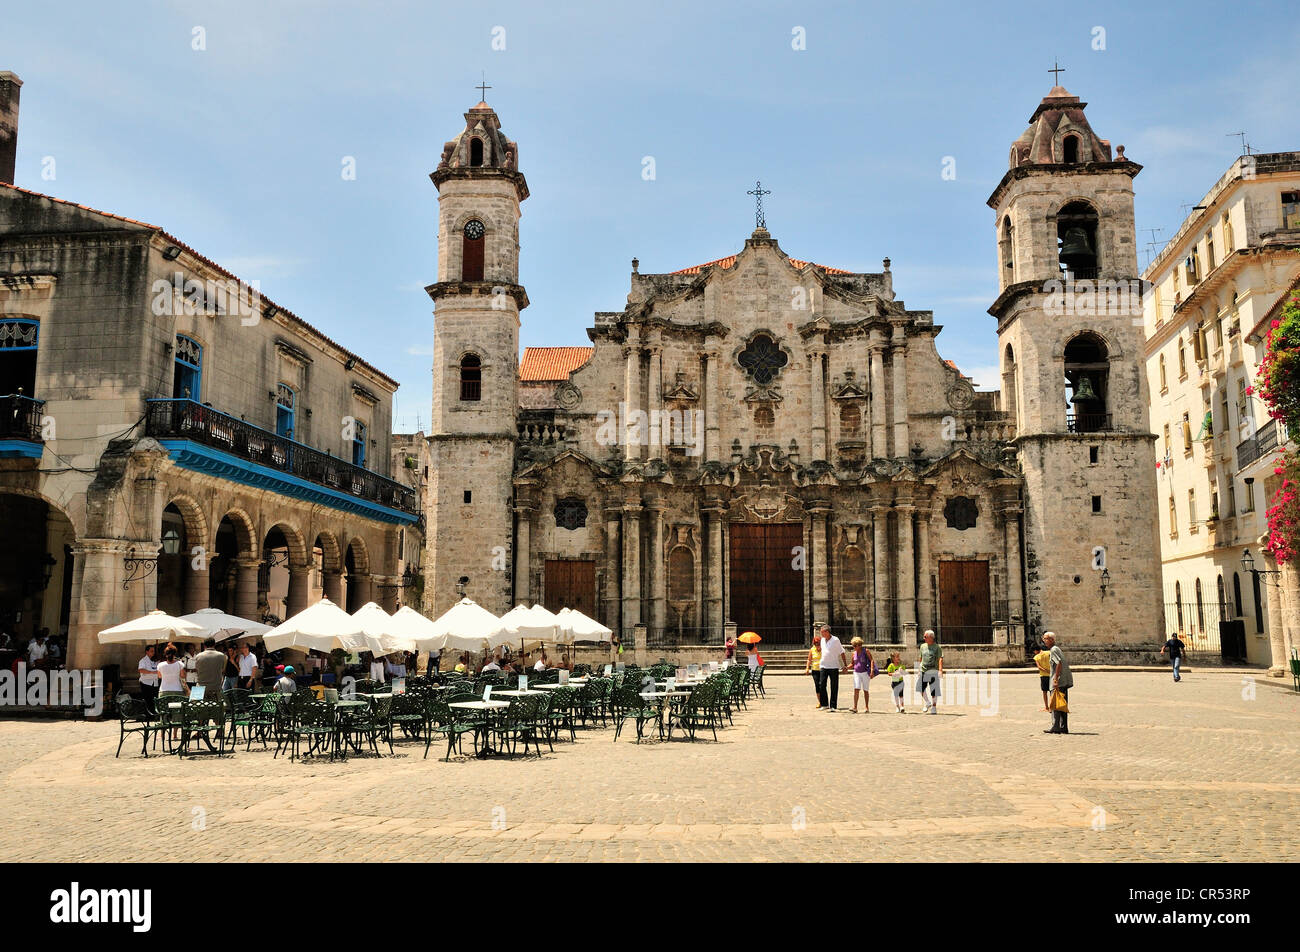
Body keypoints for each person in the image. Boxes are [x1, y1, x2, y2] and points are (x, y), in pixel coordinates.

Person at [1044, 631, 1073, 734]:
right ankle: (1063, 727)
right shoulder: (1057, 649)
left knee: (1056, 704)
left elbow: (1058, 663)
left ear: (1052, 640)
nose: (1044, 641)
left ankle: (1056, 727)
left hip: (1058, 682)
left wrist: (1055, 679)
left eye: (1046, 639)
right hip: (1063, 681)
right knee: (1062, 705)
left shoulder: (1053, 650)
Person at [817, 624, 849, 711]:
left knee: (834, 686)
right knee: (821, 685)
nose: (821, 634)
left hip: (833, 666)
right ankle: (824, 704)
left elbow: (842, 652)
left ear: (827, 632)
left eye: (822, 632)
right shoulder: (822, 640)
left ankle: (833, 706)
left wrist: (845, 665)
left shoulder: (835, 640)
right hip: (823, 665)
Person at [917, 630, 942, 714]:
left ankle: (934, 707)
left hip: (933, 671)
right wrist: (918, 669)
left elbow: (940, 659)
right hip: (923, 670)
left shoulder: (937, 647)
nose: (923, 638)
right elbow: (920, 658)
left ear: (931, 637)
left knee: (934, 690)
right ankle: (927, 702)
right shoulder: (922, 646)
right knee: (920, 687)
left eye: (925, 637)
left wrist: (940, 670)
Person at [849, 637, 874, 713]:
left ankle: (866, 707)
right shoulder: (853, 653)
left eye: (855, 646)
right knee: (856, 688)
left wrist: (872, 670)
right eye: (853, 646)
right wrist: (846, 667)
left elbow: (871, 660)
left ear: (859, 645)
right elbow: (852, 664)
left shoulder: (866, 651)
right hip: (856, 672)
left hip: (865, 673)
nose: (854, 647)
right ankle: (855, 707)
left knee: (865, 690)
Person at [137, 644, 160, 709]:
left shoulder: (155, 660)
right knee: (147, 700)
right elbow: (141, 670)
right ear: (147, 652)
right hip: (146, 683)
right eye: (151, 651)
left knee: (154, 699)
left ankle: (153, 714)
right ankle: (147, 716)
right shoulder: (143, 660)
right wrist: (152, 672)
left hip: (154, 683)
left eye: (154, 651)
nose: (153, 653)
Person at [804, 634, 823, 708]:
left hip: (823, 669)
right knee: (817, 686)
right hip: (815, 670)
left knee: (822, 686)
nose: (817, 645)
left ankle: (824, 701)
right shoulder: (812, 649)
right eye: (815, 643)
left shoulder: (824, 649)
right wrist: (807, 668)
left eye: (818, 643)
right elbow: (809, 659)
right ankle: (820, 702)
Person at [1033, 641, 1052, 710]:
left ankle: (1046, 707)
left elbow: (1039, 667)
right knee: (1051, 691)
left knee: (1044, 692)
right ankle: (1052, 706)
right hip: (1051, 675)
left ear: (1035, 650)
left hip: (1043, 675)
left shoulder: (1036, 657)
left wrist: (1045, 670)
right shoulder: (1048, 652)